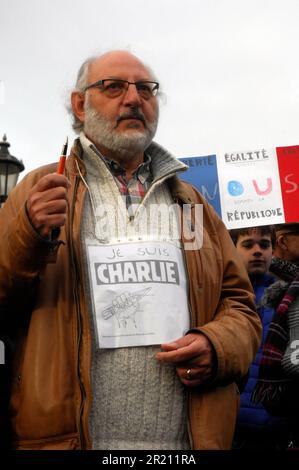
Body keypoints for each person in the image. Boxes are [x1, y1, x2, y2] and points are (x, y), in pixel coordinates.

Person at [0, 50, 261, 450]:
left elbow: (239, 304)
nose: (134, 98)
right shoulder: (36, 191)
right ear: (79, 104)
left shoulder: (191, 204)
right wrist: (29, 236)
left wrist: (218, 344)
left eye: (146, 89)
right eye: (113, 87)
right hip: (69, 441)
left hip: (181, 444)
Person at [229, 226, 289, 449]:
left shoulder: (287, 297)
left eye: (264, 245)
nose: (257, 251)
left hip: (276, 428)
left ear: (273, 250)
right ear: (232, 249)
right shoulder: (219, 294)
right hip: (230, 425)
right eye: (248, 245)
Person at [252, 223, 299, 448]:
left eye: (264, 244)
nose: (258, 251)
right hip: (248, 418)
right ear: (283, 241)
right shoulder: (250, 290)